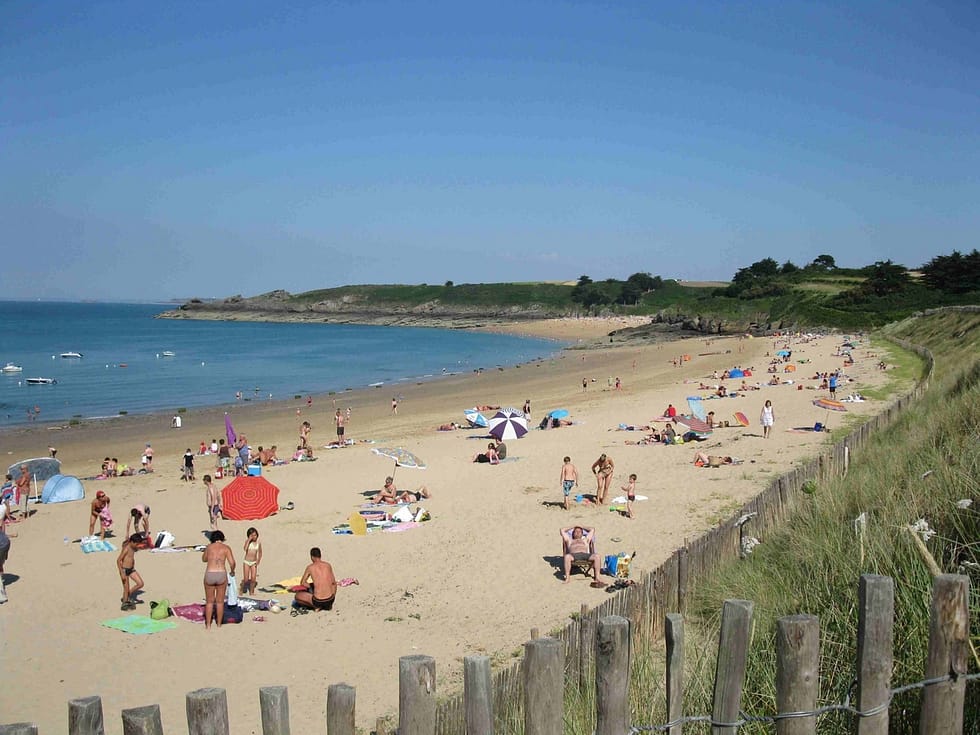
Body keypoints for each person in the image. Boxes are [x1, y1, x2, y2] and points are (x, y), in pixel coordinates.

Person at [202, 530, 235, 629]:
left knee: (209, 601)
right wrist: (232, 571)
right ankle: (219, 624)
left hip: (210, 573)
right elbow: (232, 562)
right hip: (221, 573)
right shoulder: (226, 548)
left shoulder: (209, 547)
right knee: (220, 602)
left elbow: (204, 559)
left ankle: (208, 625)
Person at [293, 547, 338, 611]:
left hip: (317, 601)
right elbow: (333, 583)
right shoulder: (328, 565)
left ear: (312, 557)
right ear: (320, 555)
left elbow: (303, 582)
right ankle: (329, 605)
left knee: (297, 596)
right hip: (330, 600)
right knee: (333, 584)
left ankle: (316, 607)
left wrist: (310, 587)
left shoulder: (310, 567)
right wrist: (333, 595)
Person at [117, 533, 145, 610]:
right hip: (124, 570)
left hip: (131, 569)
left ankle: (127, 595)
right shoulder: (126, 548)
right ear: (132, 542)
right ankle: (125, 603)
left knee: (140, 583)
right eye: (136, 544)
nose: (137, 545)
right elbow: (118, 560)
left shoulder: (133, 547)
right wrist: (122, 573)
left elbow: (137, 549)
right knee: (126, 588)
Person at [241, 527, 262, 596]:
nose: (254, 537)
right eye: (252, 535)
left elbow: (260, 553)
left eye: (255, 535)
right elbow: (245, 549)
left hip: (254, 562)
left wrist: (258, 560)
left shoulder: (258, 543)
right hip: (246, 562)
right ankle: (241, 589)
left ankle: (251, 591)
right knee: (246, 579)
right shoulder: (247, 542)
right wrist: (249, 540)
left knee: (253, 578)